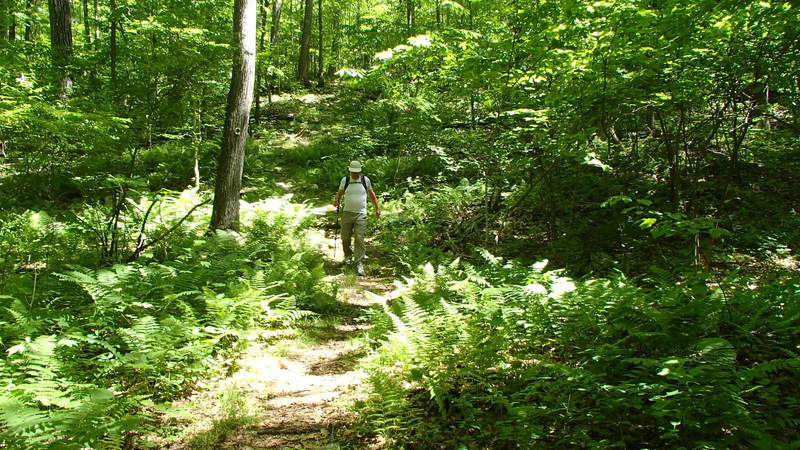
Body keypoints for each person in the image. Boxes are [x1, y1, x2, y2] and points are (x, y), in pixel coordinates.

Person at [333, 160, 380, 276]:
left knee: (359, 238)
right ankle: (348, 257)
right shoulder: (346, 180)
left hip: (361, 214)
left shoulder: (365, 180)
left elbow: (372, 194)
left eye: (357, 172)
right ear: (350, 171)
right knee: (345, 237)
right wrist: (336, 200)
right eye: (353, 172)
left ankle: (358, 262)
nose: (355, 174)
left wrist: (377, 208)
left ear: (360, 171)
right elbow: (339, 193)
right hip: (347, 213)